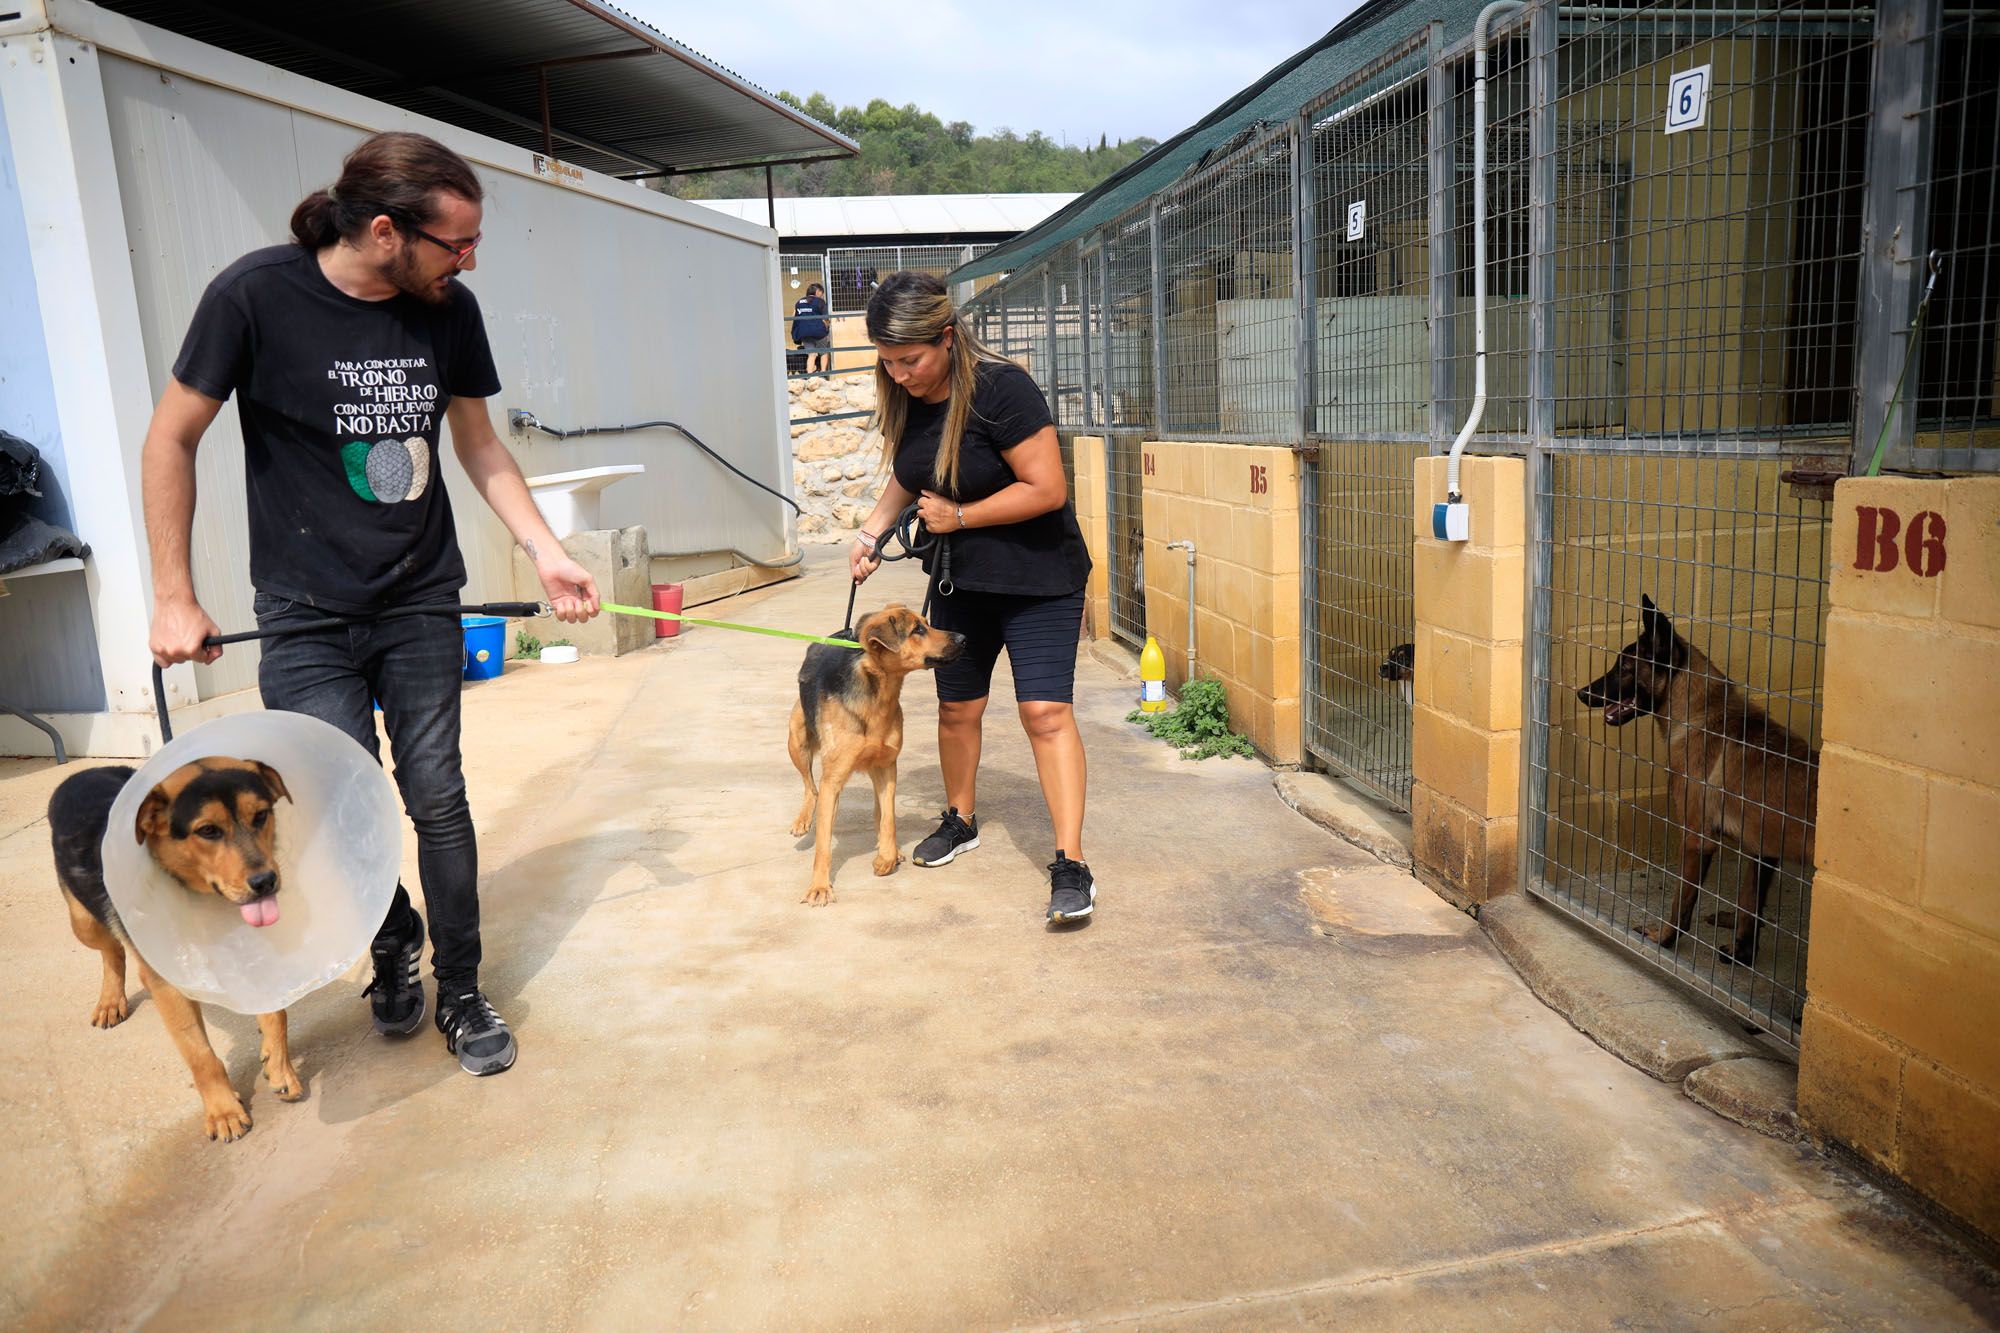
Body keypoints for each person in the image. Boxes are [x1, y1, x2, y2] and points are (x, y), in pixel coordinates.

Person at [142, 131, 601, 1076]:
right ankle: (390, 936)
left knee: (437, 795)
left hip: (419, 596)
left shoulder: (447, 312)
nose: (470, 261)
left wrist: (546, 553)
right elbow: (170, 438)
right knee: (336, 806)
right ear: (387, 231)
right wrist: (174, 595)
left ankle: (462, 986)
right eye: (457, 243)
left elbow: (477, 443)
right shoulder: (254, 296)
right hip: (303, 608)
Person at [847, 271, 1096, 925]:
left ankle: (1070, 862)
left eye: (910, 359)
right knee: (958, 711)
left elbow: (1046, 488)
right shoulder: (913, 398)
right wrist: (872, 530)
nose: (899, 374)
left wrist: (959, 517)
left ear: (948, 338)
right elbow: (910, 476)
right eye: (888, 361)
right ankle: (960, 819)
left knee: (1044, 713)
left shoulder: (1002, 389)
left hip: (1040, 578)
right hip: (962, 581)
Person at [791, 282, 832, 374]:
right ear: (817, 292)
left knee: (812, 354)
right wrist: (826, 327)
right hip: (818, 331)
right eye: (821, 293)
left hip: (804, 332)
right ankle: (823, 373)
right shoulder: (820, 302)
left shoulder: (799, 301)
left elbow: (793, 315)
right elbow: (826, 318)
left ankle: (810, 375)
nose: (822, 295)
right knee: (823, 352)